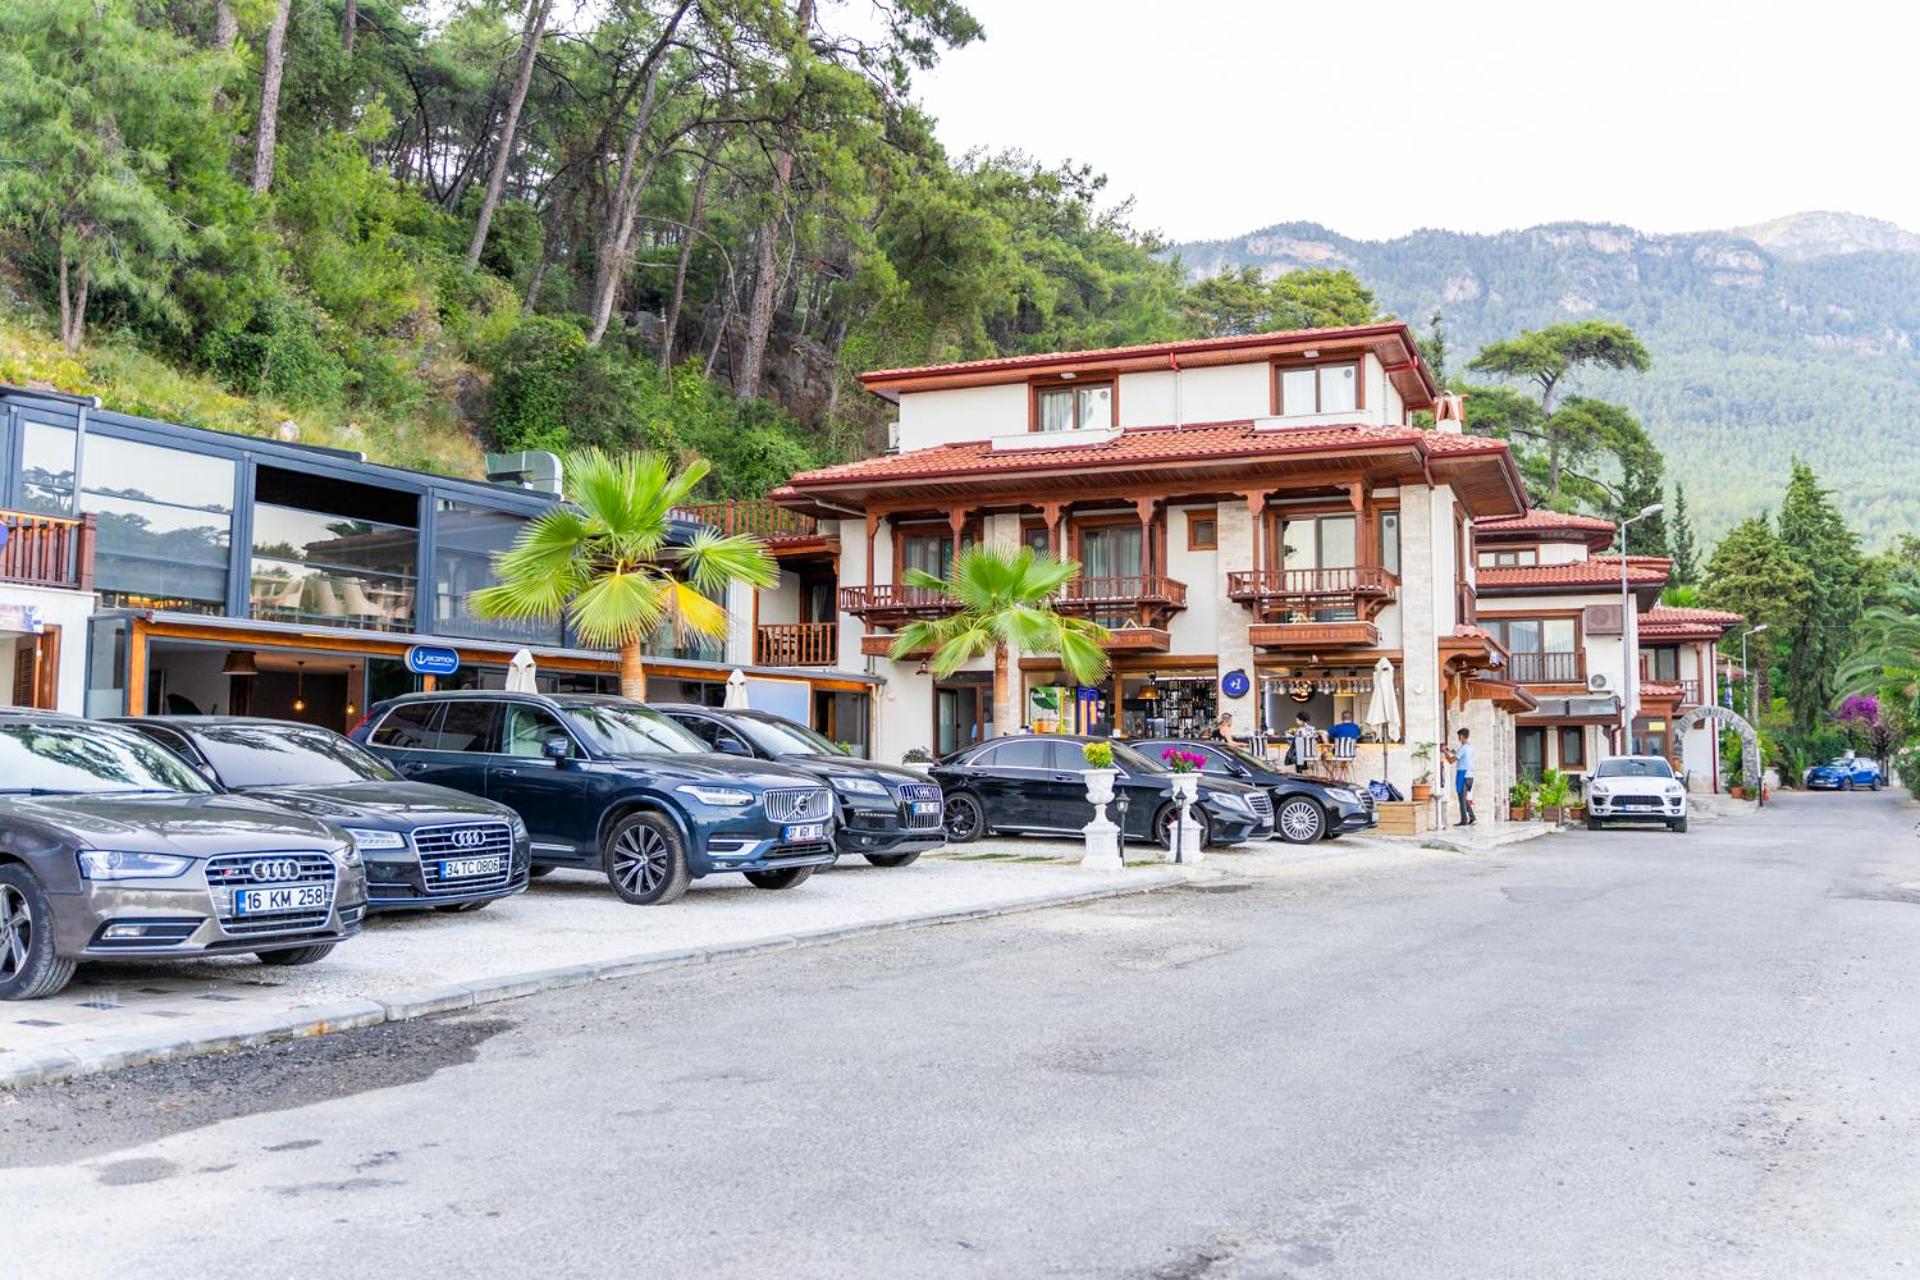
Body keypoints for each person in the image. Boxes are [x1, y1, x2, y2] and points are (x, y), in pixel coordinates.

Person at [1445, 727, 1476, 825]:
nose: (1458, 738)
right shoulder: (1470, 747)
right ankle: (1472, 817)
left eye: (1459, 736)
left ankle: (1464, 820)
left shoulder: (1463, 748)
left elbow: (1451, 761)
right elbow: (1463, 758)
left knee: (1461, 799)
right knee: (1464, 798)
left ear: (1462, 736)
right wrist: (1452, 753)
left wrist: (1445, 752)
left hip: (1463, 775)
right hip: (1470, 775)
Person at [1287, 711, 1325, 776]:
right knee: (1299, 750)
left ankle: (1299, 771)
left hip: (1300, 755)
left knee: (1296, 750)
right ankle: (1304, 765)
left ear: (1301, 720)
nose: (1296, 722)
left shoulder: (1299, 731)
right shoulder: (1313, 729)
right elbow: (1317, 739)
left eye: (1297, 720)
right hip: (1311, 754)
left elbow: (1294, 741)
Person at [1328, 710, 1362, 779]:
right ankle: (1342, 776)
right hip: (1351, 755)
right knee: (1346, 760)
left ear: (1342, 718)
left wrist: (1327, 744)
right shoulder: (1356, 727)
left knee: (1323, 757)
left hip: (1338, 755)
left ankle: (1334, 776)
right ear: (1351, 718)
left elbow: (1325, 733)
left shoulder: (1337, 727)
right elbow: (1358, 735)